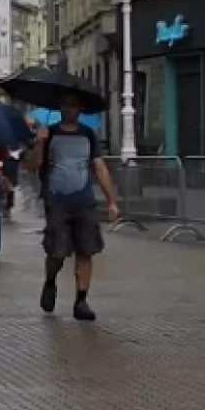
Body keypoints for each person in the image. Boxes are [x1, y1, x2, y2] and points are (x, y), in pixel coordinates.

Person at [25, 91, 119, 321]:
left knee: (86, 251)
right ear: (60, 108)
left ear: (80, 109)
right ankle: (50, 281)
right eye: (66, 105)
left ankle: (81, 301)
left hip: (83, 201)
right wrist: (40, 143)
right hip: (57, 201)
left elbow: (99, 168)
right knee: (57, 252)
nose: (70, 109)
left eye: (74, 105)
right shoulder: (50, 133)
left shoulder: (88, 135)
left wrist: (111, 201)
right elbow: (32, 165)